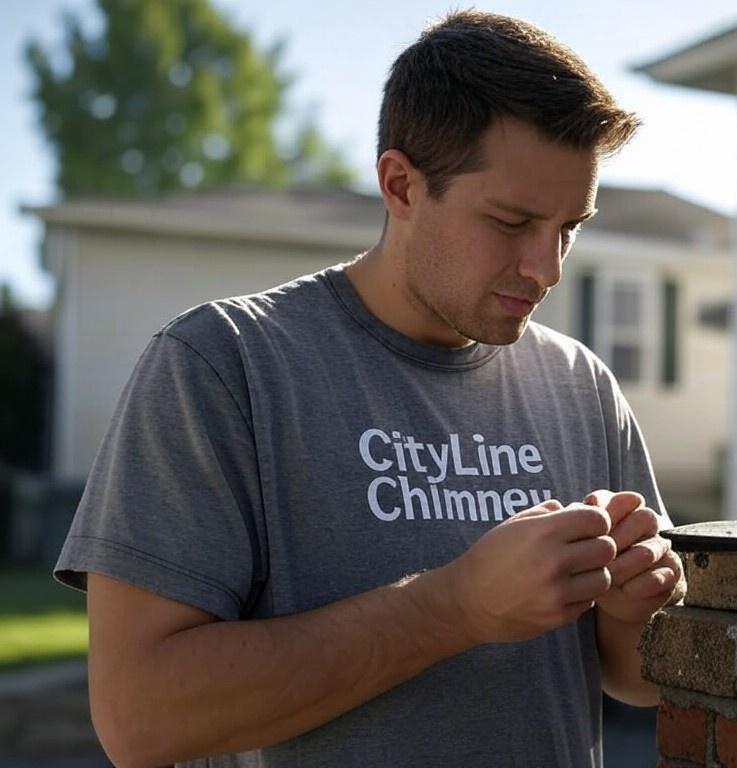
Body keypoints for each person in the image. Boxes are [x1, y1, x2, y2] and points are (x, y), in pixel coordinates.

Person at [54, 9, 684, 768]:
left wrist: (633, 611)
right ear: (400, 185)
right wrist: (454, 608)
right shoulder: (223, 366)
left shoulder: (580, 386)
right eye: (513, 221)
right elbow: (139, 719)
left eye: (568, 228)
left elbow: (639, 678)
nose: (546, 268)